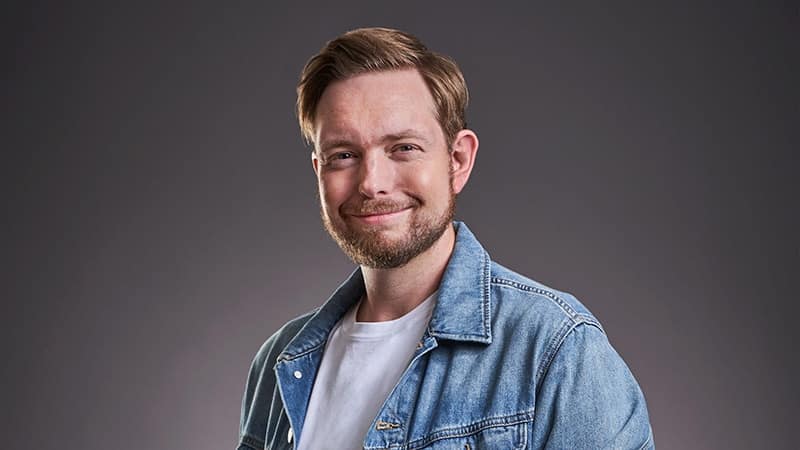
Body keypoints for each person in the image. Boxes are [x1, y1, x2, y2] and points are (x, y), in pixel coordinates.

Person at [238, 27, 654, 450]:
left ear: (458, 160)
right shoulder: (279, 361)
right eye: (343, 155)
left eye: (403, 148)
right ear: (319, 171)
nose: (372, 183)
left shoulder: (555, 349)